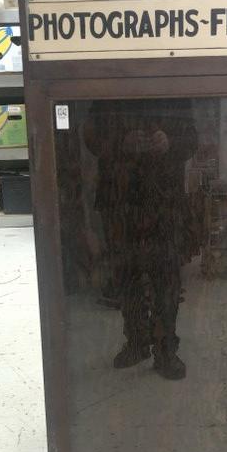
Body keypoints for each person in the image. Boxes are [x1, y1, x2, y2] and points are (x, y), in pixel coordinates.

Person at [83, 98, 198, 380]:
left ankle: (165, 351)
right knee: (126, 276)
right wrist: (122, 143)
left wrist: (169, 142)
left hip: (164, 202)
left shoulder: (171, 89)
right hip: (119, 200)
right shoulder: (109, 90)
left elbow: (191, 140)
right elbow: (91, 137)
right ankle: (136, 342)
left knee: (166, 278)